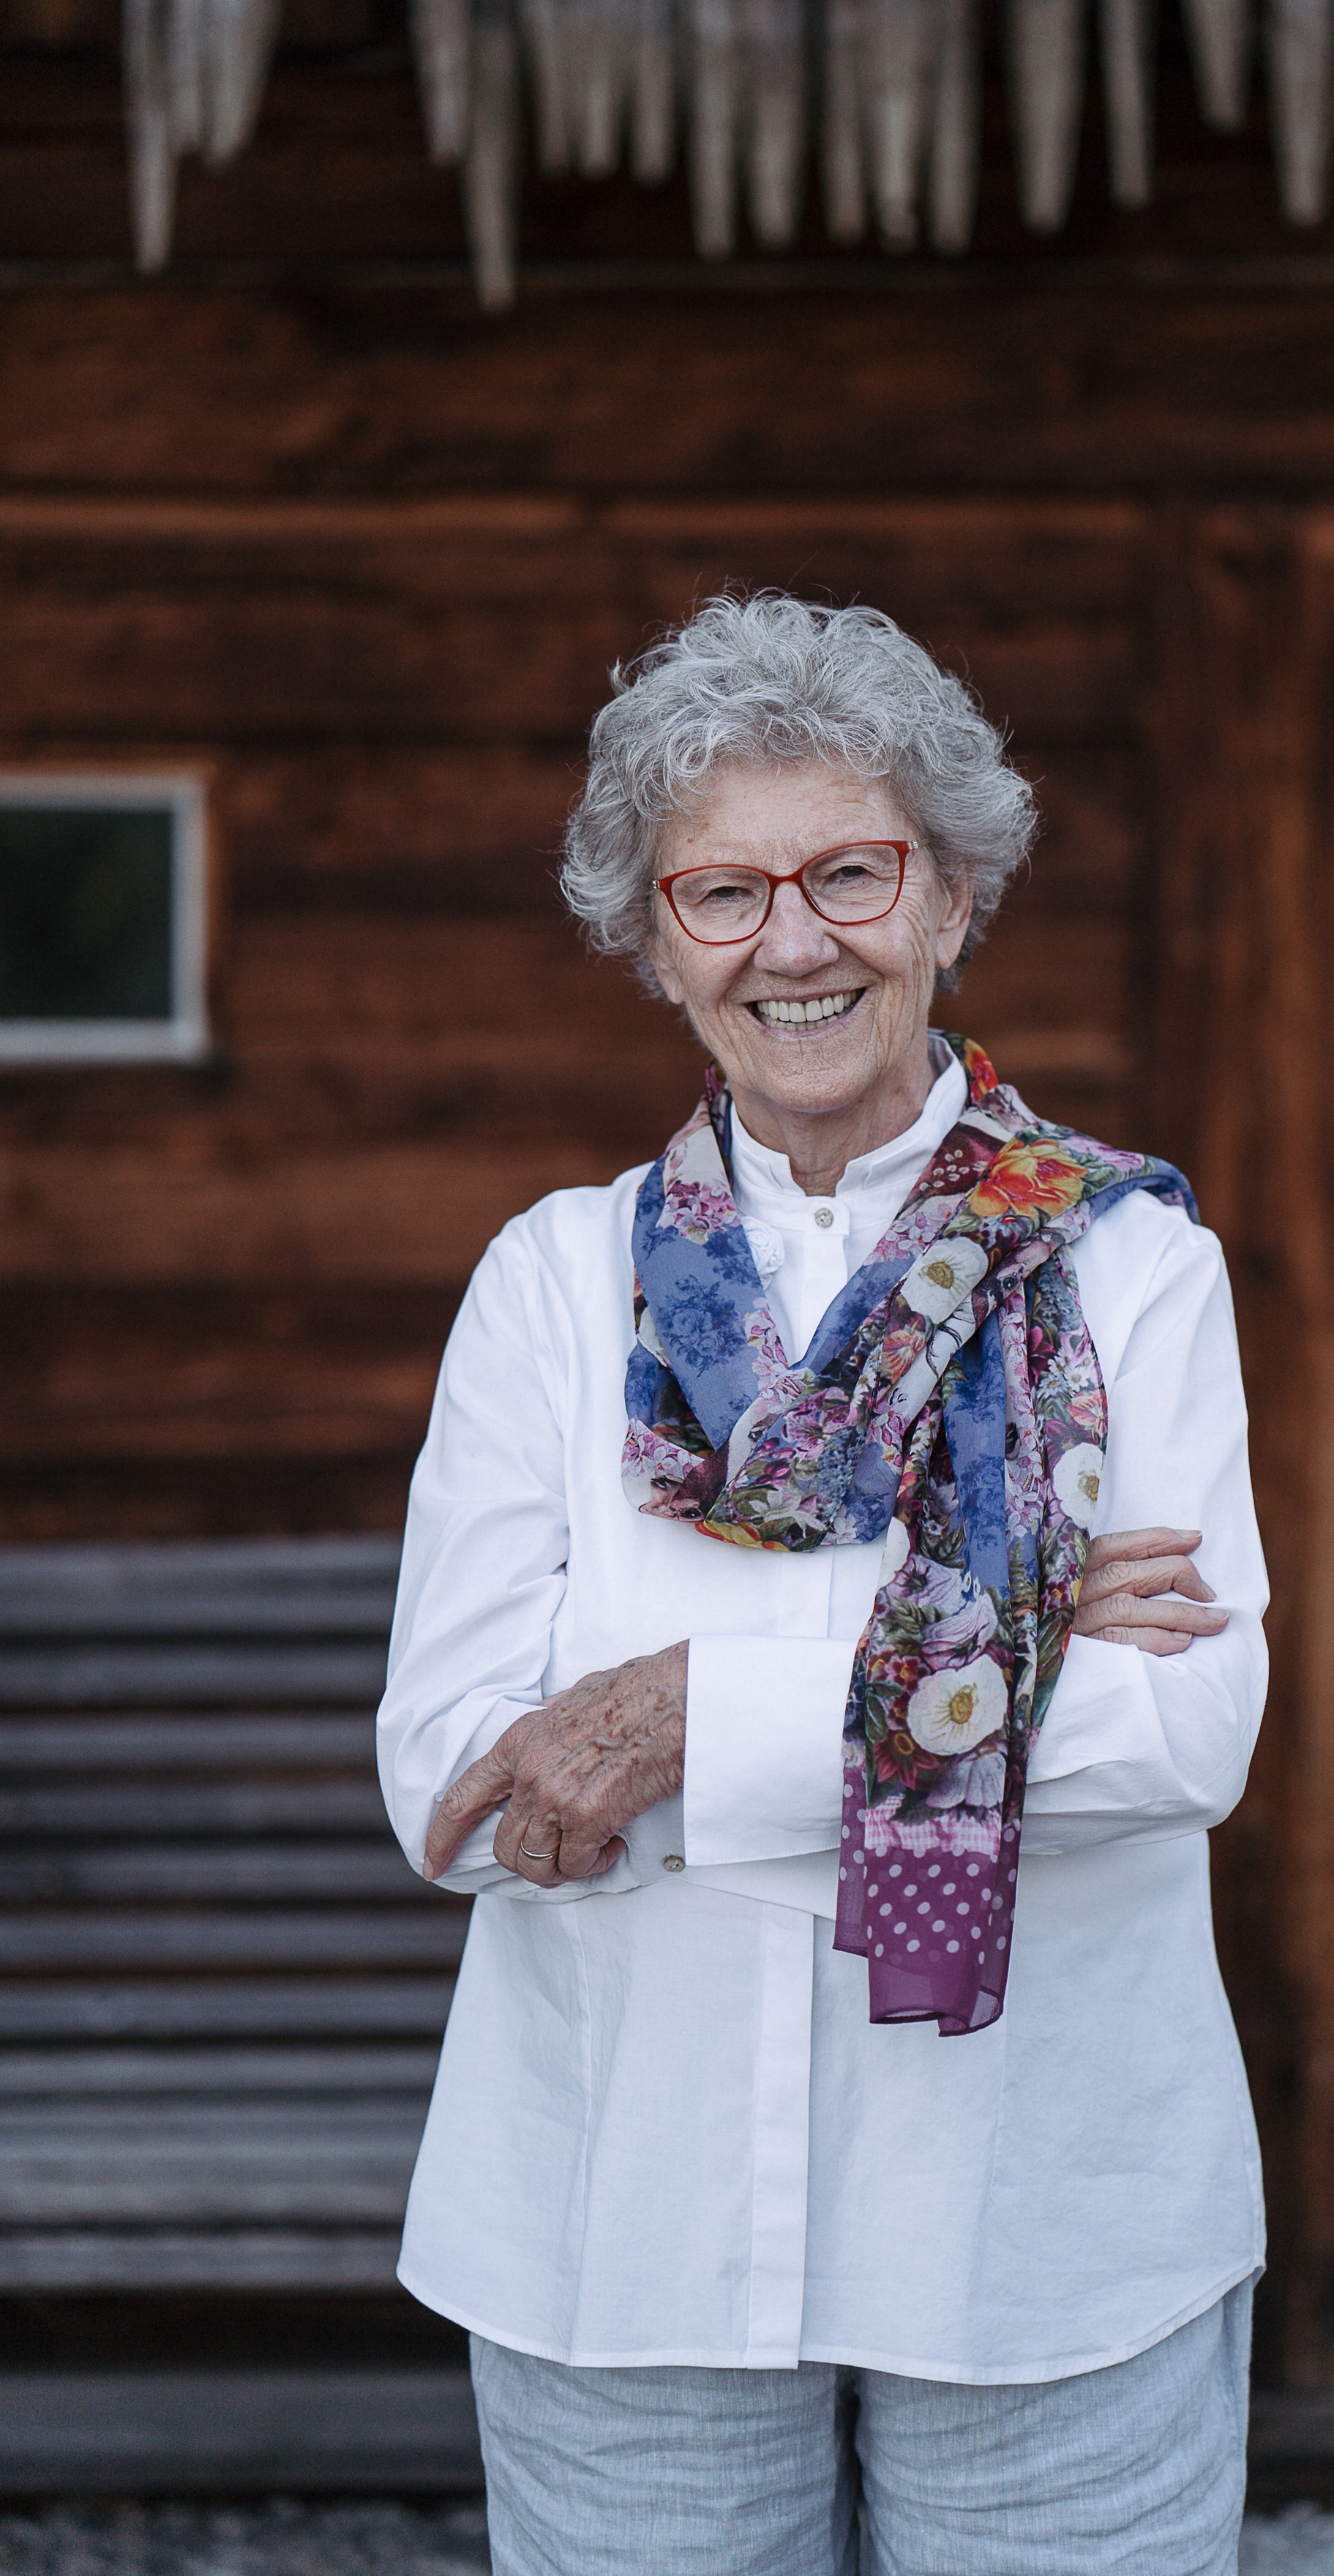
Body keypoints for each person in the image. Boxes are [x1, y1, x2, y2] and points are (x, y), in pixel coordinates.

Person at [378, 592, 1270, 2576]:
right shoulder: (551, 1285)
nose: (794, 941)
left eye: (850, 872)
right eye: (721, 893)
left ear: (954, 892)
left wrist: (671, 1716)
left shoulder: (1131, 1272)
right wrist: (1000, 1655)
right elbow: (455, 1789)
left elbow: (1185, 1730)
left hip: (1055, 2226)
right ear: (654, 939)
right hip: (628, 2214)